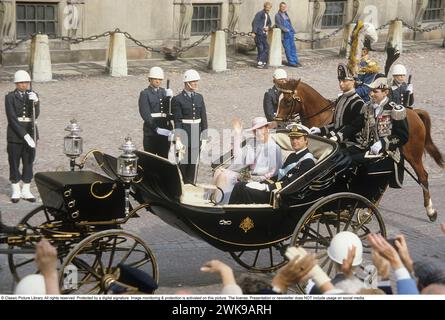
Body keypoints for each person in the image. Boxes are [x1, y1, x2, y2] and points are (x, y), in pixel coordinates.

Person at [229, 124, 315, 204]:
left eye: (298, 138)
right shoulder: (292, 156)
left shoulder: (308, 161)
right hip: (277, 189)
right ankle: (228, 213)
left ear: (306, 140)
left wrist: (268, 187)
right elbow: (280, 176)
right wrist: (262, 183)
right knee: (240, 185)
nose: (294, 141)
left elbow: (292, 183)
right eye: (292, 138)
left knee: (245, 190)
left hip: (283, 195)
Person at [213, 117, 282, 204]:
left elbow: (270, 174)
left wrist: (245, 176)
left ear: (267, 128)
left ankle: (222, 204)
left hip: (263, 180)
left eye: (260, 128)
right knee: (218, 171)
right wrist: (238, 134)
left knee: (225, 176)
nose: (258, 132)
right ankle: (215, 200)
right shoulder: (253, 143)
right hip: (249, 174)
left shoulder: (273, 148)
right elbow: (239, 157)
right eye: (255, 130)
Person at [348, 77, 409, 165]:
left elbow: (402, 136)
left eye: (375, 91)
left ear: (385, 93)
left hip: (386, 152)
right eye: (371, 91)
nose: (371, 94)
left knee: (350, 160)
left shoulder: (394, 110)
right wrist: (336, 136)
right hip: (366, 147)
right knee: (341, 155)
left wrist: (382, 143)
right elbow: (354, 126)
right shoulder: (368, 107)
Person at [310, 63, 365, 146]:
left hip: (350, 142)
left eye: (344, 81)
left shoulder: (358, 103)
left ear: (353, 82)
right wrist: (320, 130)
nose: (341, 84)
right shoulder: (340, 99)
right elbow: (335, 124)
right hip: (336, 138)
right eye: (340, 81)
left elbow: (351, 127)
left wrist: (334, 137)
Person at [5, 70, 39, 203]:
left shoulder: (32, 95)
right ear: (16, 84)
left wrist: (36, 102)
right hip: (15, 135)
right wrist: (25, 136)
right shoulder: (10, 97)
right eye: (21, 83)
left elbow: (35, 115)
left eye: (26, 82)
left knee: (28, 162)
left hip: (31, 131)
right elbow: (12, 119)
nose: (24, 85)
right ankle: (16, 190)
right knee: (14, 162)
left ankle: (26, 189)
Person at [172, 69, 208, 184]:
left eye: (196, 81)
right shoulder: (178, 99)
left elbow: (203, 118)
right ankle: (181, 187)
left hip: (196, 134)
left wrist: (205, 136)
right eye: (193, 81)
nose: (196, 84)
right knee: (183, 164)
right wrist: (178, 138)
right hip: (184, 134)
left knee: (192, 164)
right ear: (187, 83)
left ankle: (190, 186)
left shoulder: (199, 98)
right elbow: (177, 120)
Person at [138, 66, 174, 158]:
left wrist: (171, 99)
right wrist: (156, 128)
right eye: (155, 79)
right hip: (151, 132)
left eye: (160, 79)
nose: (158, 81)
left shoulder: (164, 92)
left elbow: (170, 111)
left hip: (165, 130)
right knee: (151, 158)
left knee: (164, 158)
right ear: (150, 79)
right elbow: (145, 114)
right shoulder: (145, 93)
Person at [275, 2, 301, 68]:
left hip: (290, 34)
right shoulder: (277, 15)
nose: (283, 8)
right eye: (282, 6)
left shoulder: (286, 14)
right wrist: (286, 30)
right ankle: (291, 62)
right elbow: (278, 25)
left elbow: (290, 24)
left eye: (284, 7)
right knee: (288, 49)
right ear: (279, 7)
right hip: (284, 34)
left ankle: (296, 61)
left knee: (293, 48)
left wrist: (292, 30)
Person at [252, 2, 272, 69]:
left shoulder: (267, 15)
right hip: (259, 33)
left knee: (265, 47)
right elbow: (255, 22)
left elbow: (269, 23)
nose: (268, 9)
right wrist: (254, 32)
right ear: (264, 7)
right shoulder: (260, 14)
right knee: (261, 48)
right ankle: (260, 62)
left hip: (263, 34)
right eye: (267, 7)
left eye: (269, 8)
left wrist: (268, 27)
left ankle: (262, 62)